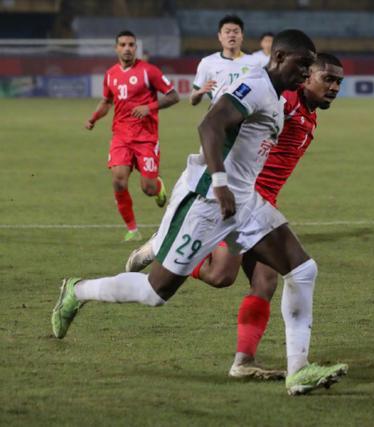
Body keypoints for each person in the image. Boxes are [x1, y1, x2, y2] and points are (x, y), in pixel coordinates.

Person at [52, 30, 348, 396]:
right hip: (208, 200)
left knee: (302, 270)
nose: (305, 73)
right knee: (155, 292)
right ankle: (78, 290)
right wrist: (220, 183)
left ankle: (298, 371)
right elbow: (210, 124)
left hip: (246, 202)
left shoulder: (274, 94)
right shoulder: (257, 86)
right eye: (303, 65)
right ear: (279, 58)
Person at [126, 53, 345, 381]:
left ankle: (244, 361)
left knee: (266, 280)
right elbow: (231, 112)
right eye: (327, 79)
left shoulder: (310, 114)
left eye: (339, 82)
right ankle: (162, 245)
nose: (334, 87)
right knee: (221, 276)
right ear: (305, 77)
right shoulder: (284, 100)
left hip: (263, 205)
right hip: (239, 201)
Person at [85, 30, 180, 242]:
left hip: (146, 137)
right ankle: (132, 229)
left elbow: (173, 96)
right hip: (121, 136)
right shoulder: (111, 74)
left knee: (148, 188)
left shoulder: (149, 71)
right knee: (118, 182)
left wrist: (149, 107)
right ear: (116, 48)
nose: (127, 48)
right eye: (123, 45)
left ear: (136, 48)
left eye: (131, 45)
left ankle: (158, 187)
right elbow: (106, 101)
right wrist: (93, 118)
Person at [190, 15, 261, 107]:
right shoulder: (207, 63)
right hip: (219, 114)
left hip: (247, 115)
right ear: (220, 36)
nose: (232, 35)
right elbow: (193, 100)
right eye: (227, 32)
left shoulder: (255, 63)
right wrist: (200, 92)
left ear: (242, 36)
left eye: (236, 32)